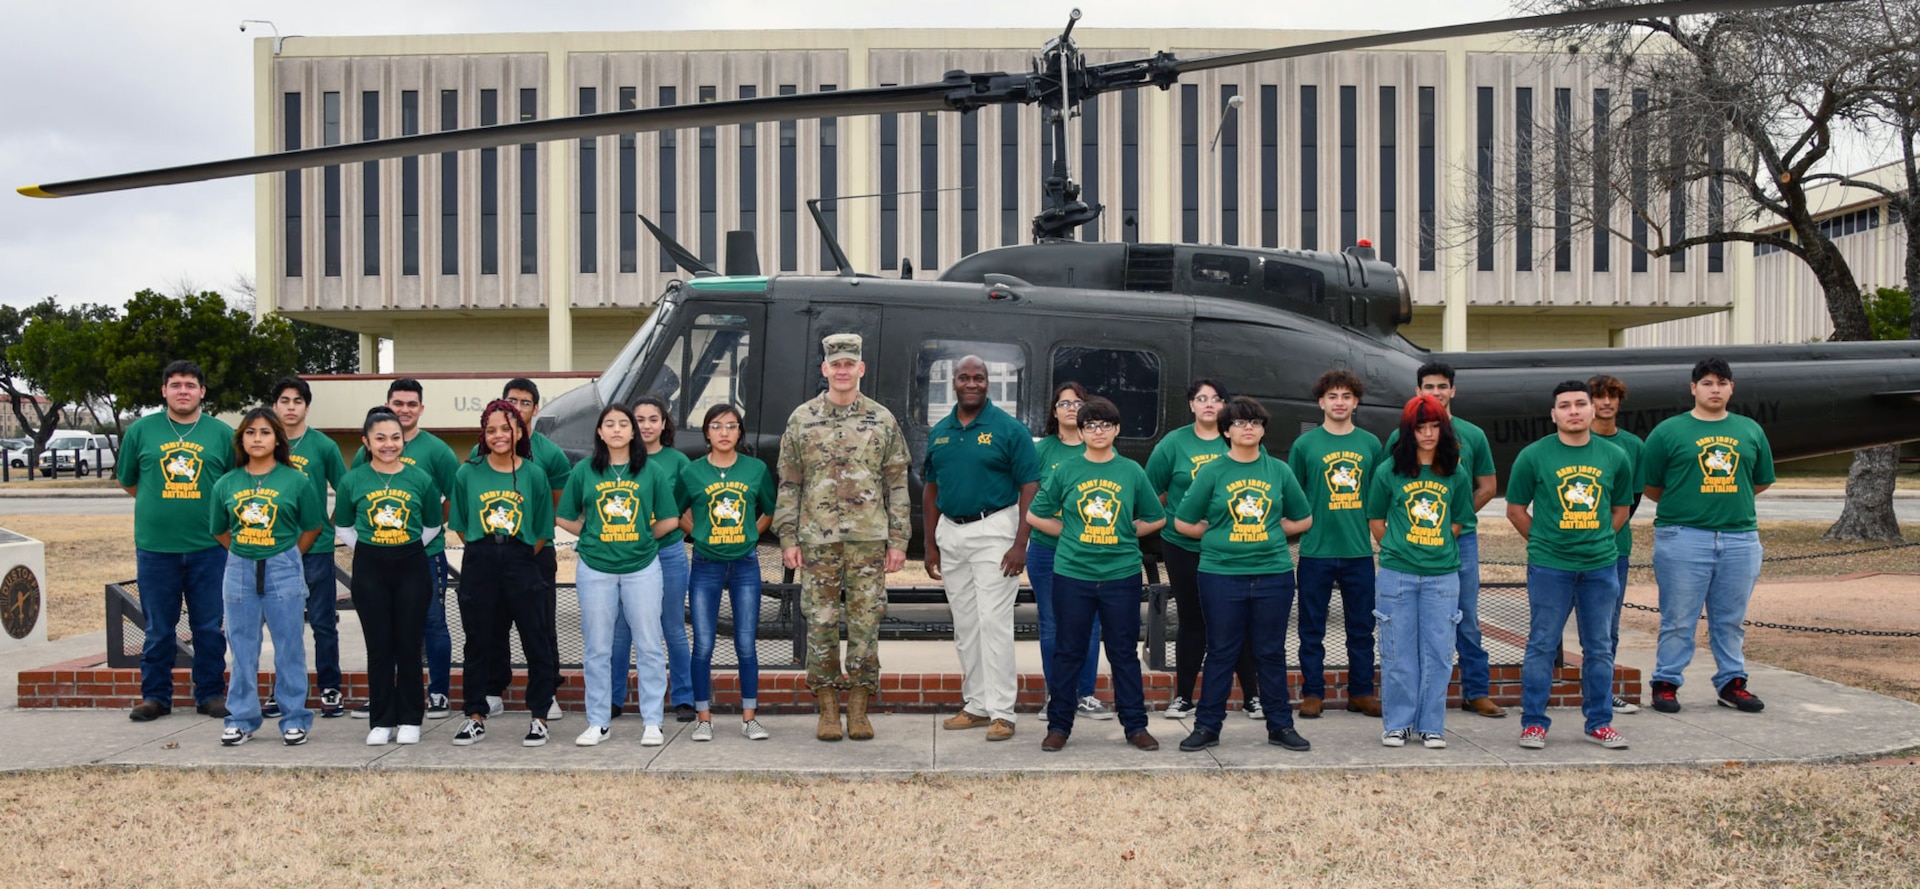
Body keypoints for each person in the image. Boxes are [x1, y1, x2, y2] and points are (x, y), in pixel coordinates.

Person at [773, 333, 911, 742]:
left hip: (869, 539)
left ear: (861, 369)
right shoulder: (802, 419)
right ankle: (828, 705)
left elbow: (898, 483)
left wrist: (899, 540)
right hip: (817, 540)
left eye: (850, 364)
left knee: (867, 621)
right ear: (825, 369)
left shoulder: (882, 420)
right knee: (820, 621)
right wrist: (788, 536)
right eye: (836, 364)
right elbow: (789, 482)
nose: (843, 370)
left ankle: (860, 703)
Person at [1173, 397, 1314, 753]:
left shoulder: (1279, 471)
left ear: (1264, 429)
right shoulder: (1213, 471)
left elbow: (1304, 518)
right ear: (1226, 431)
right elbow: (1183, 522)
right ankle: (1207, 726)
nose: (1247, 427)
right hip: (1221, 575)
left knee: (1270, 652)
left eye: (1254, 422)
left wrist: (1273, 533)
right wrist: (1219, 533)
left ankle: (1280, 726)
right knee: (1221, 651)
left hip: (1273, 574)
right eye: (1238, 422)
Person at [1026, 396, 1165, 753]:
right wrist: (1071, 532)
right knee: (1068, 651)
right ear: (1082, 431)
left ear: (1117, 430)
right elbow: (1035, 515)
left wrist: (1126, 532)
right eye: (1090, 425)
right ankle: (1059, 726)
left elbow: (1156, 516)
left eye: (1105, 424)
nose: (1098, 430)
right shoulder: (1067, 470)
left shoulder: (1131, 471)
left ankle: (1136, 726)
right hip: (1074, 574)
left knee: (1123, 654)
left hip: (1121, 574)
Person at [1505, 381, 1635, 751]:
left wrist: (1599, 540)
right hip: (1550, 568)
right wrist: (1546, 542)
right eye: (1565, 405)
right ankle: (1533, 723)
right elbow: (1515, 510)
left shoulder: (1614, 456)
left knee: (1599, 647)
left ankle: (1599, 722)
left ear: (1593, 410)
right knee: (1542, 645)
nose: (1574, 411)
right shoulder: (1533, 456)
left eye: (1581, 404)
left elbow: (1621, 509)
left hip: (1600, 568)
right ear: (1554, 414)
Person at [1642, 357, 1775, 714]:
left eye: (1721, 382)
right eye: (1707, 383)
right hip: (1683, 536)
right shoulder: (1668, 432)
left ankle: (1732, 684)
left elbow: (1758, 480)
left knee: (1730, 619)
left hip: (1739, 538)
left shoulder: (1750, 430)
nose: (1714, 389)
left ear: (1732, 388)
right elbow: (1653, 485)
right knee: (1679, 618)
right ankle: (1666, 682)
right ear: (1693, 389)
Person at [924, 356, 1041, 743]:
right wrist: (929, 544)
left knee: (994, 623)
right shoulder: (939, 431)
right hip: (951, 533)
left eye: (979, 377)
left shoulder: (1010, 430)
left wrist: (1020, 544)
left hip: (995, 531)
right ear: (952, 383)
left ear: (988, 383)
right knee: (966, 625)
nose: (971, 383)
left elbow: (1030, 488)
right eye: (964, 377)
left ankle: (1002, 712)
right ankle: (975, 704)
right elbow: (931, 488)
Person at [1386, 362, 1504, 718]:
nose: (1435, 392)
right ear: (1417, 391)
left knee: (1464, 617)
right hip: (1409, 548)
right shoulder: (1399, 437)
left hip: (1459, 541)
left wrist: (1453, 519)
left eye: (1442, 386)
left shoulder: (1473, 435)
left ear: (1453, 391)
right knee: (1406, 627)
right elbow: (1387, 491)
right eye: (1428, 386)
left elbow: (1487, 487)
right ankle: (1412, 703)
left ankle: (1476, 691)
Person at [121, 360, 236, 722]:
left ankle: (211, 693)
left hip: (209, 548)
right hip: (156, 548)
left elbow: (234, 484)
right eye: (175, 385)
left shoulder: (220, 434)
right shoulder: (142, 430)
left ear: (202, 391)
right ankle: (155, 696)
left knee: (208, 626)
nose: (183, 391)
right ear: (164, 391)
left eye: (190, 385)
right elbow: (130, 481)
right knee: (158, 627)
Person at [558, 403, 679, 746]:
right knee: (597, 648)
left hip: (642, 568)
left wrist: (642, 537)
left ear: (632, 431)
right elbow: (564, 515)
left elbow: (670, 519)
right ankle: (597, 721)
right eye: (608, 424)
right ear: (599, 432)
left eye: (623, 424)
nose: (616, 429)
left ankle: (652, 720)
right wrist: (591, 535)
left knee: (650, 645)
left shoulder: (650, 471)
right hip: (595, 570)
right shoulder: (584, 470)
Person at [208, 408, 325, 746]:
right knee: (242, 647)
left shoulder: (296, 480)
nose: (257, 439)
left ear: (277, 439)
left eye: (264, 432)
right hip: (240, 568)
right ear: (241, 439)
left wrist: (287, 555)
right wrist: (245, 551)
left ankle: (294, 717)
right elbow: (219, 529)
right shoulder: (227, 482)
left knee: (289, 646)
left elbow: (312, 525)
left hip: (282, 566)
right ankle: (241, 718)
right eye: (250, 432)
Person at [1147, 379, 1261, 721]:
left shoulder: (1242, 439)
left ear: (1225, 405)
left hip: (1233, 548)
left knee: (1236, 620)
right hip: (1183, 546)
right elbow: (1152, 493)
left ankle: (1253, 697)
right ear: (1192, 405)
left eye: (1216, 398)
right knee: (1192, 619)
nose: (1209, 404)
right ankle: (1183, 697)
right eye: (1201, 398)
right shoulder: (1173, 443)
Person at [446, 400, 558, 747]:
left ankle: (539, 715)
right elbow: (461, 524)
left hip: (522, 558)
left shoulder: (533, 473)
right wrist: (487, 551)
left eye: (506, 428)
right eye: (491, 429)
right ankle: (475, 715)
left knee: (535, 639)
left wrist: (516, 555)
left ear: (520, 431)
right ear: (484, 433)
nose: (499, 435)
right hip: (480, 559)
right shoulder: (468, 472)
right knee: (479, 640)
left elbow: (542, 529)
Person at [1367, 395, 1474, 750]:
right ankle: (1398, 724)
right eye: (1420, 427)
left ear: (1443, 430)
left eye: (1434, 427)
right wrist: (1399, 546)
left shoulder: (1455, 472)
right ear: (1408, 431)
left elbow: (1459, 519)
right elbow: (1376, 519)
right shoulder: (1389, 471)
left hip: (1442, 576)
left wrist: (1438, 544)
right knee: (1397, 652)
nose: (1427, 434)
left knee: (1439, 653)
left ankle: (1432, 725)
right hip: (1397, 574)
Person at [349, 378, 460, 720]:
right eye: (398, 403)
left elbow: (451, 497)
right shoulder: (365, 452)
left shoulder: (436, 450)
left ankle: (438, 691)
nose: (405, 410)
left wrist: (425, 532)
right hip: (378, 557)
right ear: (388, 405)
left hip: (423, 555)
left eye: (412, 404)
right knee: (385, 628)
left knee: (431, 623)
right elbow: (356, 497)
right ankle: (385, 694)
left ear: (421, 409)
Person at [335, 407, 443, 745]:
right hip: (370, 567)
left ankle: (411, 718)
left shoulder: (420, 479)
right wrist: (370, 549)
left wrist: (405, 547)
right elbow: (342, 524)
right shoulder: (353, 480)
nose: (388, 444)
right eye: (380, 438)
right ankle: (381, 719)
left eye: (395, 438)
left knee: (409, 645)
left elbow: (432, 524)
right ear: (366, 441)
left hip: (412, 564)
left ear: (403, 442)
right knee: (379, 646)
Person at [469, 378, 574, 721]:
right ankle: (492, 688)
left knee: (540, 626)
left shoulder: (550, 454)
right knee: (493, 624)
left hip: (535, 554)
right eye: (512, 400)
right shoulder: (478, 453)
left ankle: (547, 693)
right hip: (490, 556)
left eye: (525, 402)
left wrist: (524, 552)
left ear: (534, 408)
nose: (519, 406)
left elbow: (553, 508)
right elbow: (467, 513)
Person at [1288, 369, 1385, 719]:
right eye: (1333, 396)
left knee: (1362, 630)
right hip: (1316, 552)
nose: (1339, 402)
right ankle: (1313, 693)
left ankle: (1361, 692)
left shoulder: (1371, 444)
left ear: (1355, 401)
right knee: (1311, 630)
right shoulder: (1305, 445)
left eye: (1346, 396)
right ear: (1321, 402)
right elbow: (1293, 495)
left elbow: (1379, 497)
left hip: (1359, 551)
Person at [680, 403, 778, 742]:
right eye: (717, 426)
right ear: (707, 432)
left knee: (746, 644)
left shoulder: (755, 469)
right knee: (703, 644)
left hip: (745, 565)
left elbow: (770, 508)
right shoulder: (692, 472)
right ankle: (703, 718)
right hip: (706, 564)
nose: (724, 432)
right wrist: (697, 534)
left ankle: (749, 717)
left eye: (732, 426)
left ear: (740, 432)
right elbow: (675, 510)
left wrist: (753, 533)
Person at [608, 395, 696, 724]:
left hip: (668, 552)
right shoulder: (618, 461)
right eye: (639, 420)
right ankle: (614, 698)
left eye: (652, 419)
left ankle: (683, 698)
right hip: (625, 555)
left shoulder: (677, 461)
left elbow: (688, 508)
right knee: (622, 629)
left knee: (672, 626)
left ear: (664, 424)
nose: (646, 426)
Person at [1029, 382, 1111, 721]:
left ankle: (1085, 694)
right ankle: (1057, 695)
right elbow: (1030, 500)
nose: (1070, 408)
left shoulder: (1100, 447)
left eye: (1078, 402)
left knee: (1089, 625)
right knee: (1052, 624)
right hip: (1047, 551)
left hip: (1091, 554)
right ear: (1053, 411)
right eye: (1063, 403)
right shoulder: (1041, 450)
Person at [270, 376, 349, 719]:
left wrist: (327, 524)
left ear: (306, 406)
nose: (290, 407)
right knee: (282, 625)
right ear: (275, 405)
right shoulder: (264, 442)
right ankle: (284, 691)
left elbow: (346, 490)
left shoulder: (323, 446)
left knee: (321, 623)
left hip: (315, 548)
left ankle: (330, 687)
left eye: (297, 401)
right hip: (272, 549)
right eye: (284, 400)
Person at [1588, 373, 1646, 715]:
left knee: (1607, 627)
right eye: (1599, 396)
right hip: (1568, 553)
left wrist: (1605, 534)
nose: (1606, 403)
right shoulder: (1572, 440)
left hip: (1613, 550)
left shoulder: (1633, 446)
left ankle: (1604, 692)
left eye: (1612, 397)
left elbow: (1632, 500)